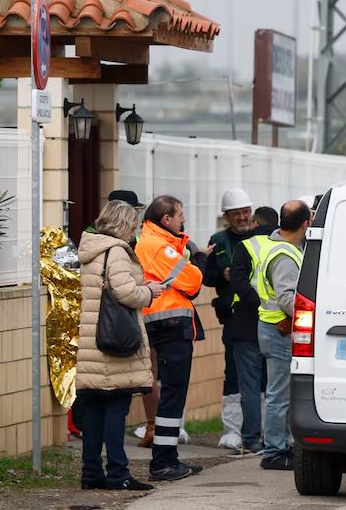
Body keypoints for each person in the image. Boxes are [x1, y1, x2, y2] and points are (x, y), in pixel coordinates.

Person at [76, 200, 165, 491]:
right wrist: (149, 292)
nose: (135, 232)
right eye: (133, 226)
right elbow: (125, 292)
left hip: (94, 340)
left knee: (93, 411)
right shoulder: (115, 251)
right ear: (122, 224)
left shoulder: (91, 248)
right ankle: (117, 472)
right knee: (115, 407)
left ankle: (91, 473)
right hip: (115, 343)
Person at [135, 195, 206, 481]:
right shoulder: (156, 245)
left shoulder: (155, 242)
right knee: (173, 395)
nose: (183, 220)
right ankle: (163, 462)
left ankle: (167, 458)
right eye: (180, 215)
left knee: (172, 395)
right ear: (166, 219)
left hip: (166, 324)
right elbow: (192, 281)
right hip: (170, 326)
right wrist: (197, 263)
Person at [252, 200, 311, 470]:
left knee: (280, 392)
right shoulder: (285, 255)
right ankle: (273, 451)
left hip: (274, 328)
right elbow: (288, 298)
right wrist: (314, 313)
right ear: (305, 224)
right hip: (279, 330)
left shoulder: (281, 246)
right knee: (278, 393)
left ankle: (279, 444)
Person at [203, 189, 254, 450]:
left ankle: (258, 429)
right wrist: (221, 275)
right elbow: (206, 277)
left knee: (263, 372)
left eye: (246, 212)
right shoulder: (218, 240)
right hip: (232, 317)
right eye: (237, 214)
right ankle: (233, 429)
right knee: (232, 369)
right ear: (227, 216)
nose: (243, 217)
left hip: (261, 315)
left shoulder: (262, 236)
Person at [228, 206, 280, 457]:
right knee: (276, 385)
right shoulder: (288, 248)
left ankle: (251, 440)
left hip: (247, 323)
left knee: (249, 385)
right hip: (279, 323)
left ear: (256, 222)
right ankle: (276, 439)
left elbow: (237, 281)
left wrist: (256, 303)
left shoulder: (246, 246)